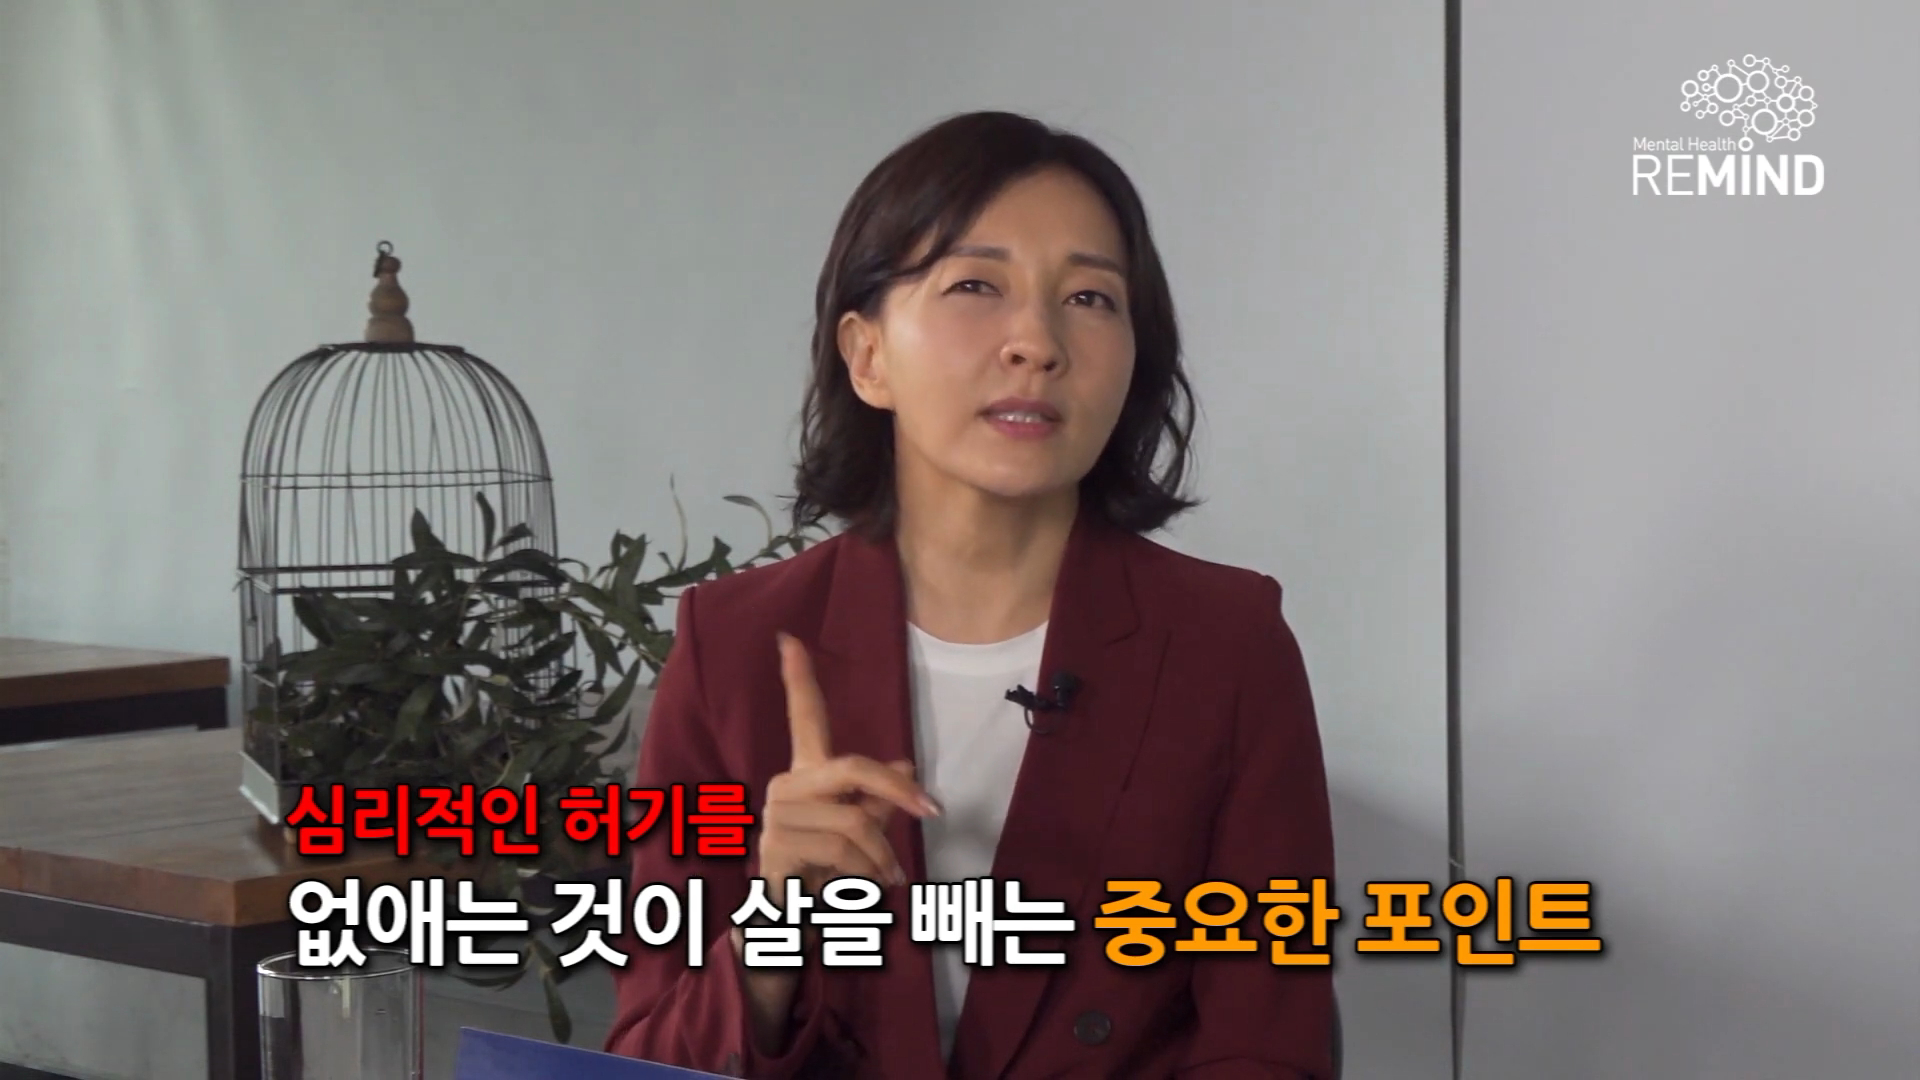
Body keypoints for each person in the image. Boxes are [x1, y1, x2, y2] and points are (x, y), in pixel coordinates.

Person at [604, 110, 1335, 1079]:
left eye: (1090, 297)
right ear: (868, 356)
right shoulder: (733, 646)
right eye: (976, 286)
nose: (1037, 342)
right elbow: (647, 1056)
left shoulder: (1228, 645)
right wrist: (775, 922)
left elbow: (1271, 1048)